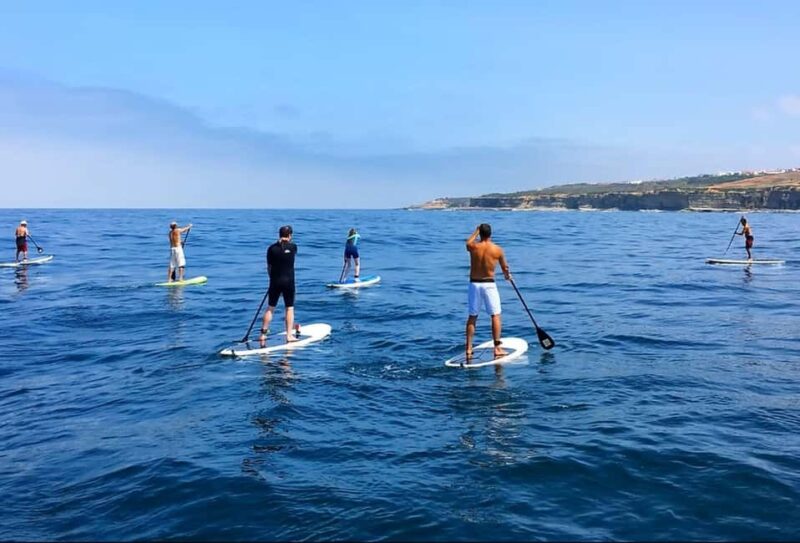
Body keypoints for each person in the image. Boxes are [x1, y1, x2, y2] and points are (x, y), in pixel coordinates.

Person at [465, 223, 511, 358]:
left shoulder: (473, 247)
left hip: (474, 284)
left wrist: (476, 231)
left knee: (472, 316)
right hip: (489, 284)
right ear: (491, 234)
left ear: (480, 234)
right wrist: (508, 276)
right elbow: (505, 269)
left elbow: (468, 242)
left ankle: (469, 348)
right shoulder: (497, 250)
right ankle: (497, 348)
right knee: (495, 315)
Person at [260, 225, 299, 347]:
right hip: (289, 282)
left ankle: (263, 334)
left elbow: (269, 267)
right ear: (290, 235)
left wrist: (272, 280)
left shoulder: (271, 249)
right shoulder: (293, 247)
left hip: (275, 281)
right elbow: (288, 253)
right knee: (289, 308)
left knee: (270, 307)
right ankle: (289, 335)